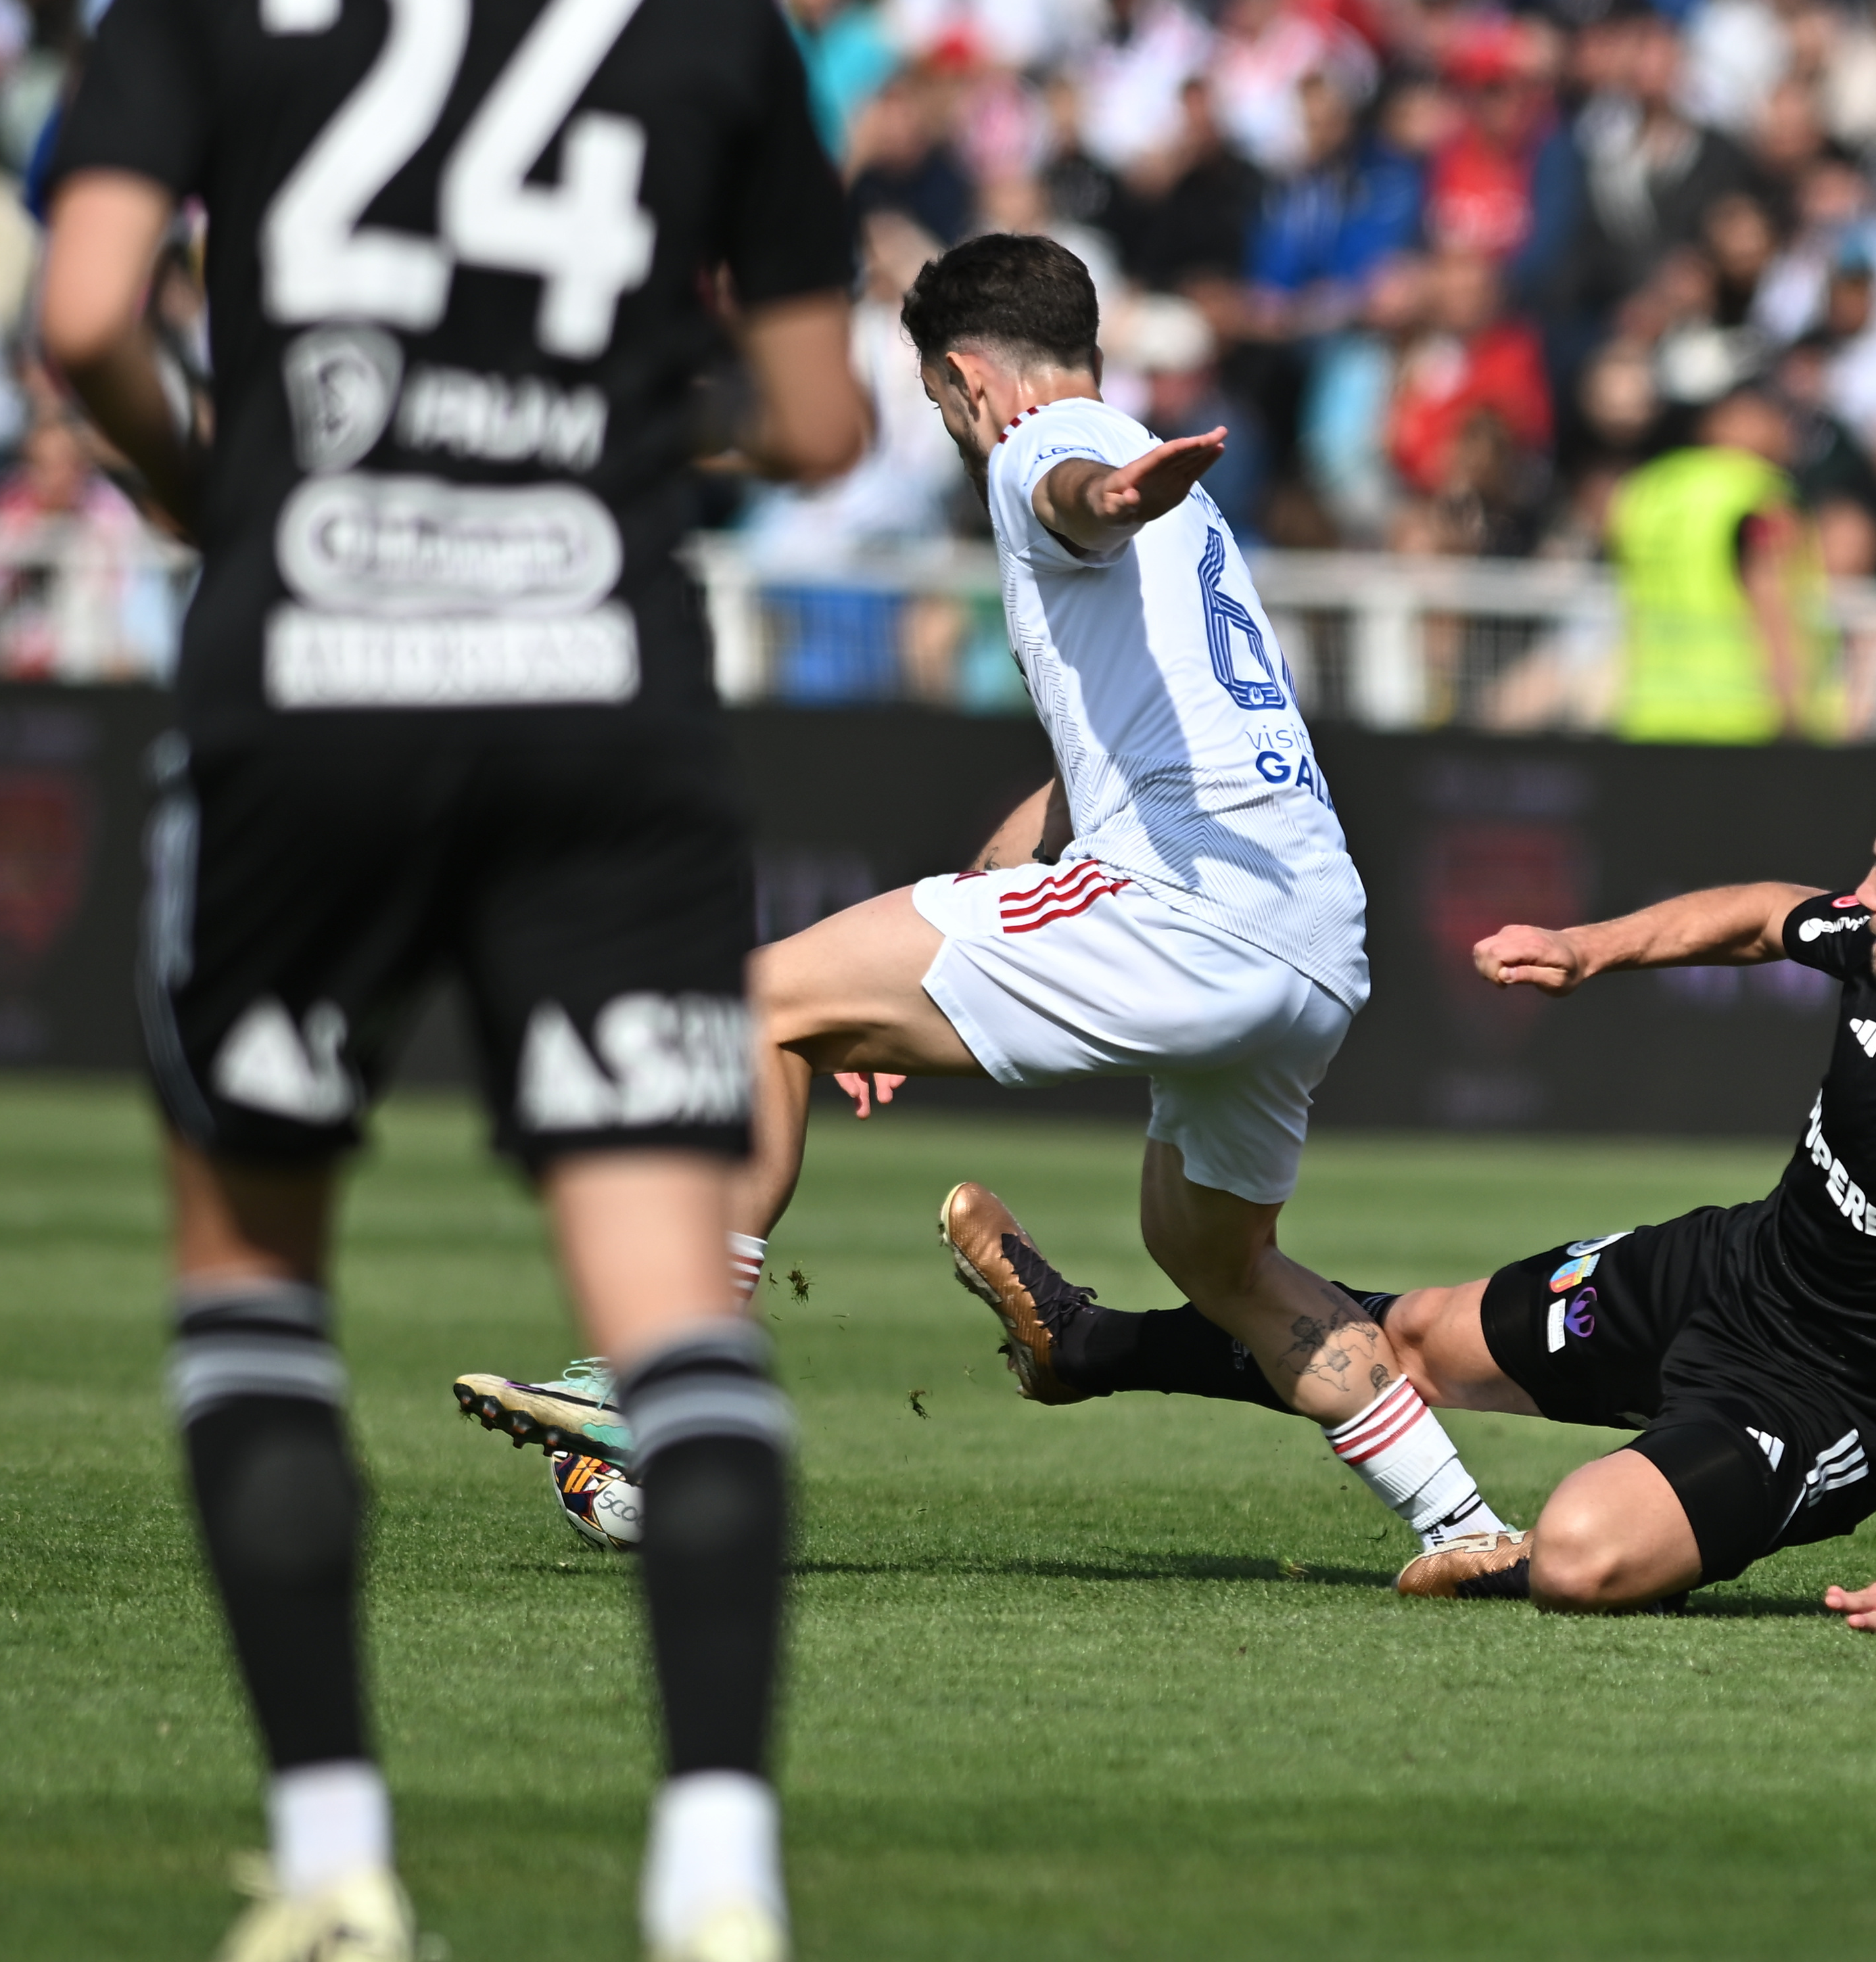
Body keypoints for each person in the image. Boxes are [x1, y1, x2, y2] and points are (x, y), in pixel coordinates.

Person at [38, 0, 866, 1949]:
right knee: (676, 1319)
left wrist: (203, 480)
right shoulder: (713, 30)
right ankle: (718, 1878)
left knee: (253, 1288)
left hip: (307, 675)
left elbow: (84, 322)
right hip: (600, 694)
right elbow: (822, 421)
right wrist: (616, 410)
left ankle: (335, 1863)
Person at [588, 233, 1511, 1587]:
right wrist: (951, 925)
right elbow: (1083, 781)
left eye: (938, 405)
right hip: (1311, 932)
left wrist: (1110, 491)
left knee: (757, 1005)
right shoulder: (1179, 508)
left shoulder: (1046, 446)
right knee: (1214, 1253)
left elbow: (1072, 491)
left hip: (1187, 904)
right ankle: (1466, 1523)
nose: (954, 432)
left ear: (969, 379)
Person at [939, 749, 1876, 1623]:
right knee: (1408, 1338)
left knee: (1575, 1558)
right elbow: (1765, 917)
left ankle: (1554, 1529)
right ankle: (1085, 1347)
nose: (1853, 896)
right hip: (1725, 1273)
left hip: (1828, 1403)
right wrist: (1587, 947)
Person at [1606, 381, 1833, 743]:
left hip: (1650, 709)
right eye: (1780, 418)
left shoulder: (1647, 488)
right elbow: (1771, 601)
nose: (1789, 433)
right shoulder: (1755, 492)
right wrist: (1796, 714)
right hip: (1742, 716)